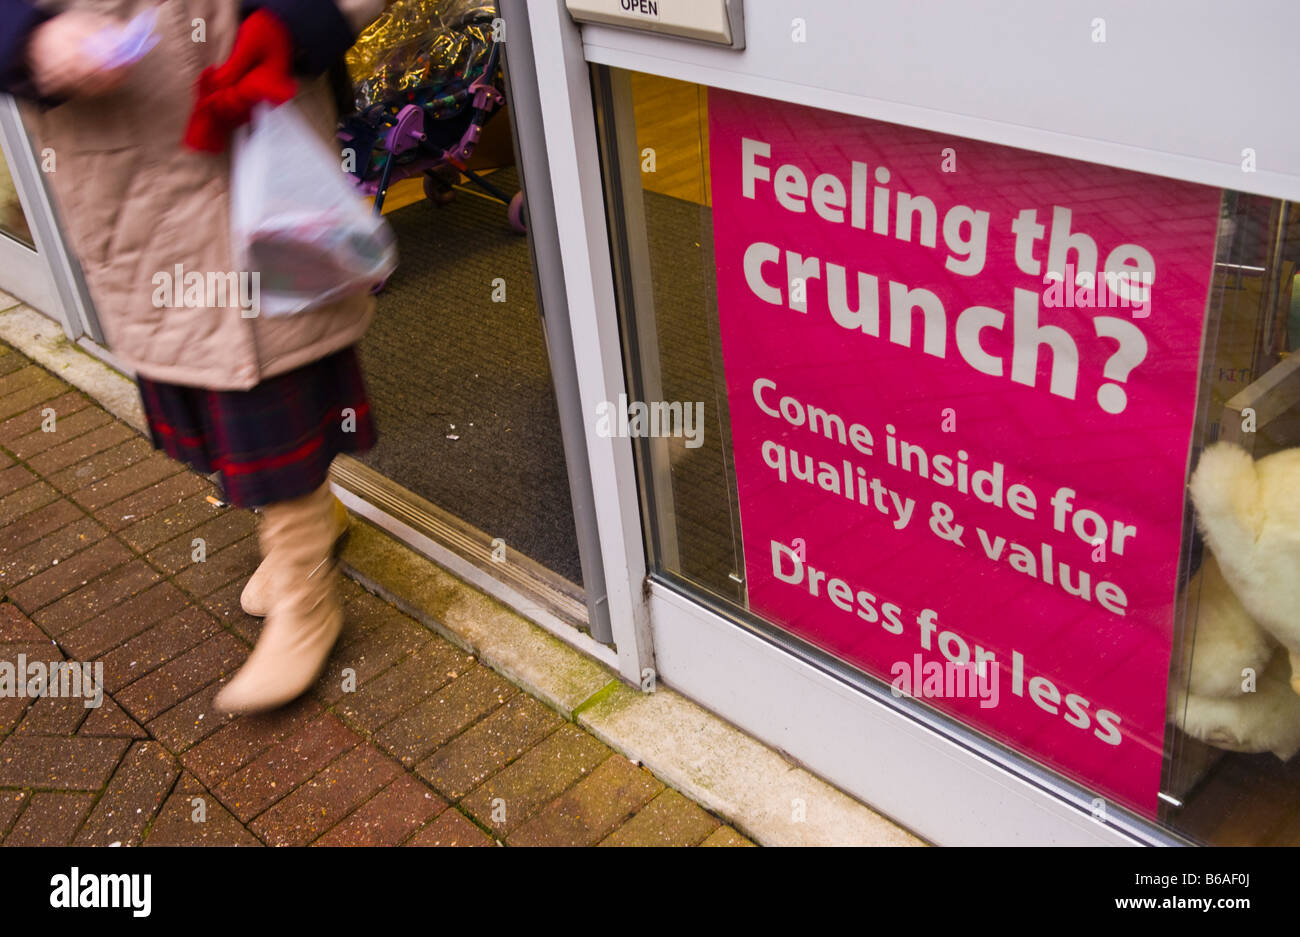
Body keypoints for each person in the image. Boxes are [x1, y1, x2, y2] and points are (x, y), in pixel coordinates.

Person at [0, 0, 387, 715]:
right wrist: (26, 35)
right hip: (123, 162)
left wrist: (303, 17)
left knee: (267, 372)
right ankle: (310, 520)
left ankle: (306, 592)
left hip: (253, 121)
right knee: (209, 374)